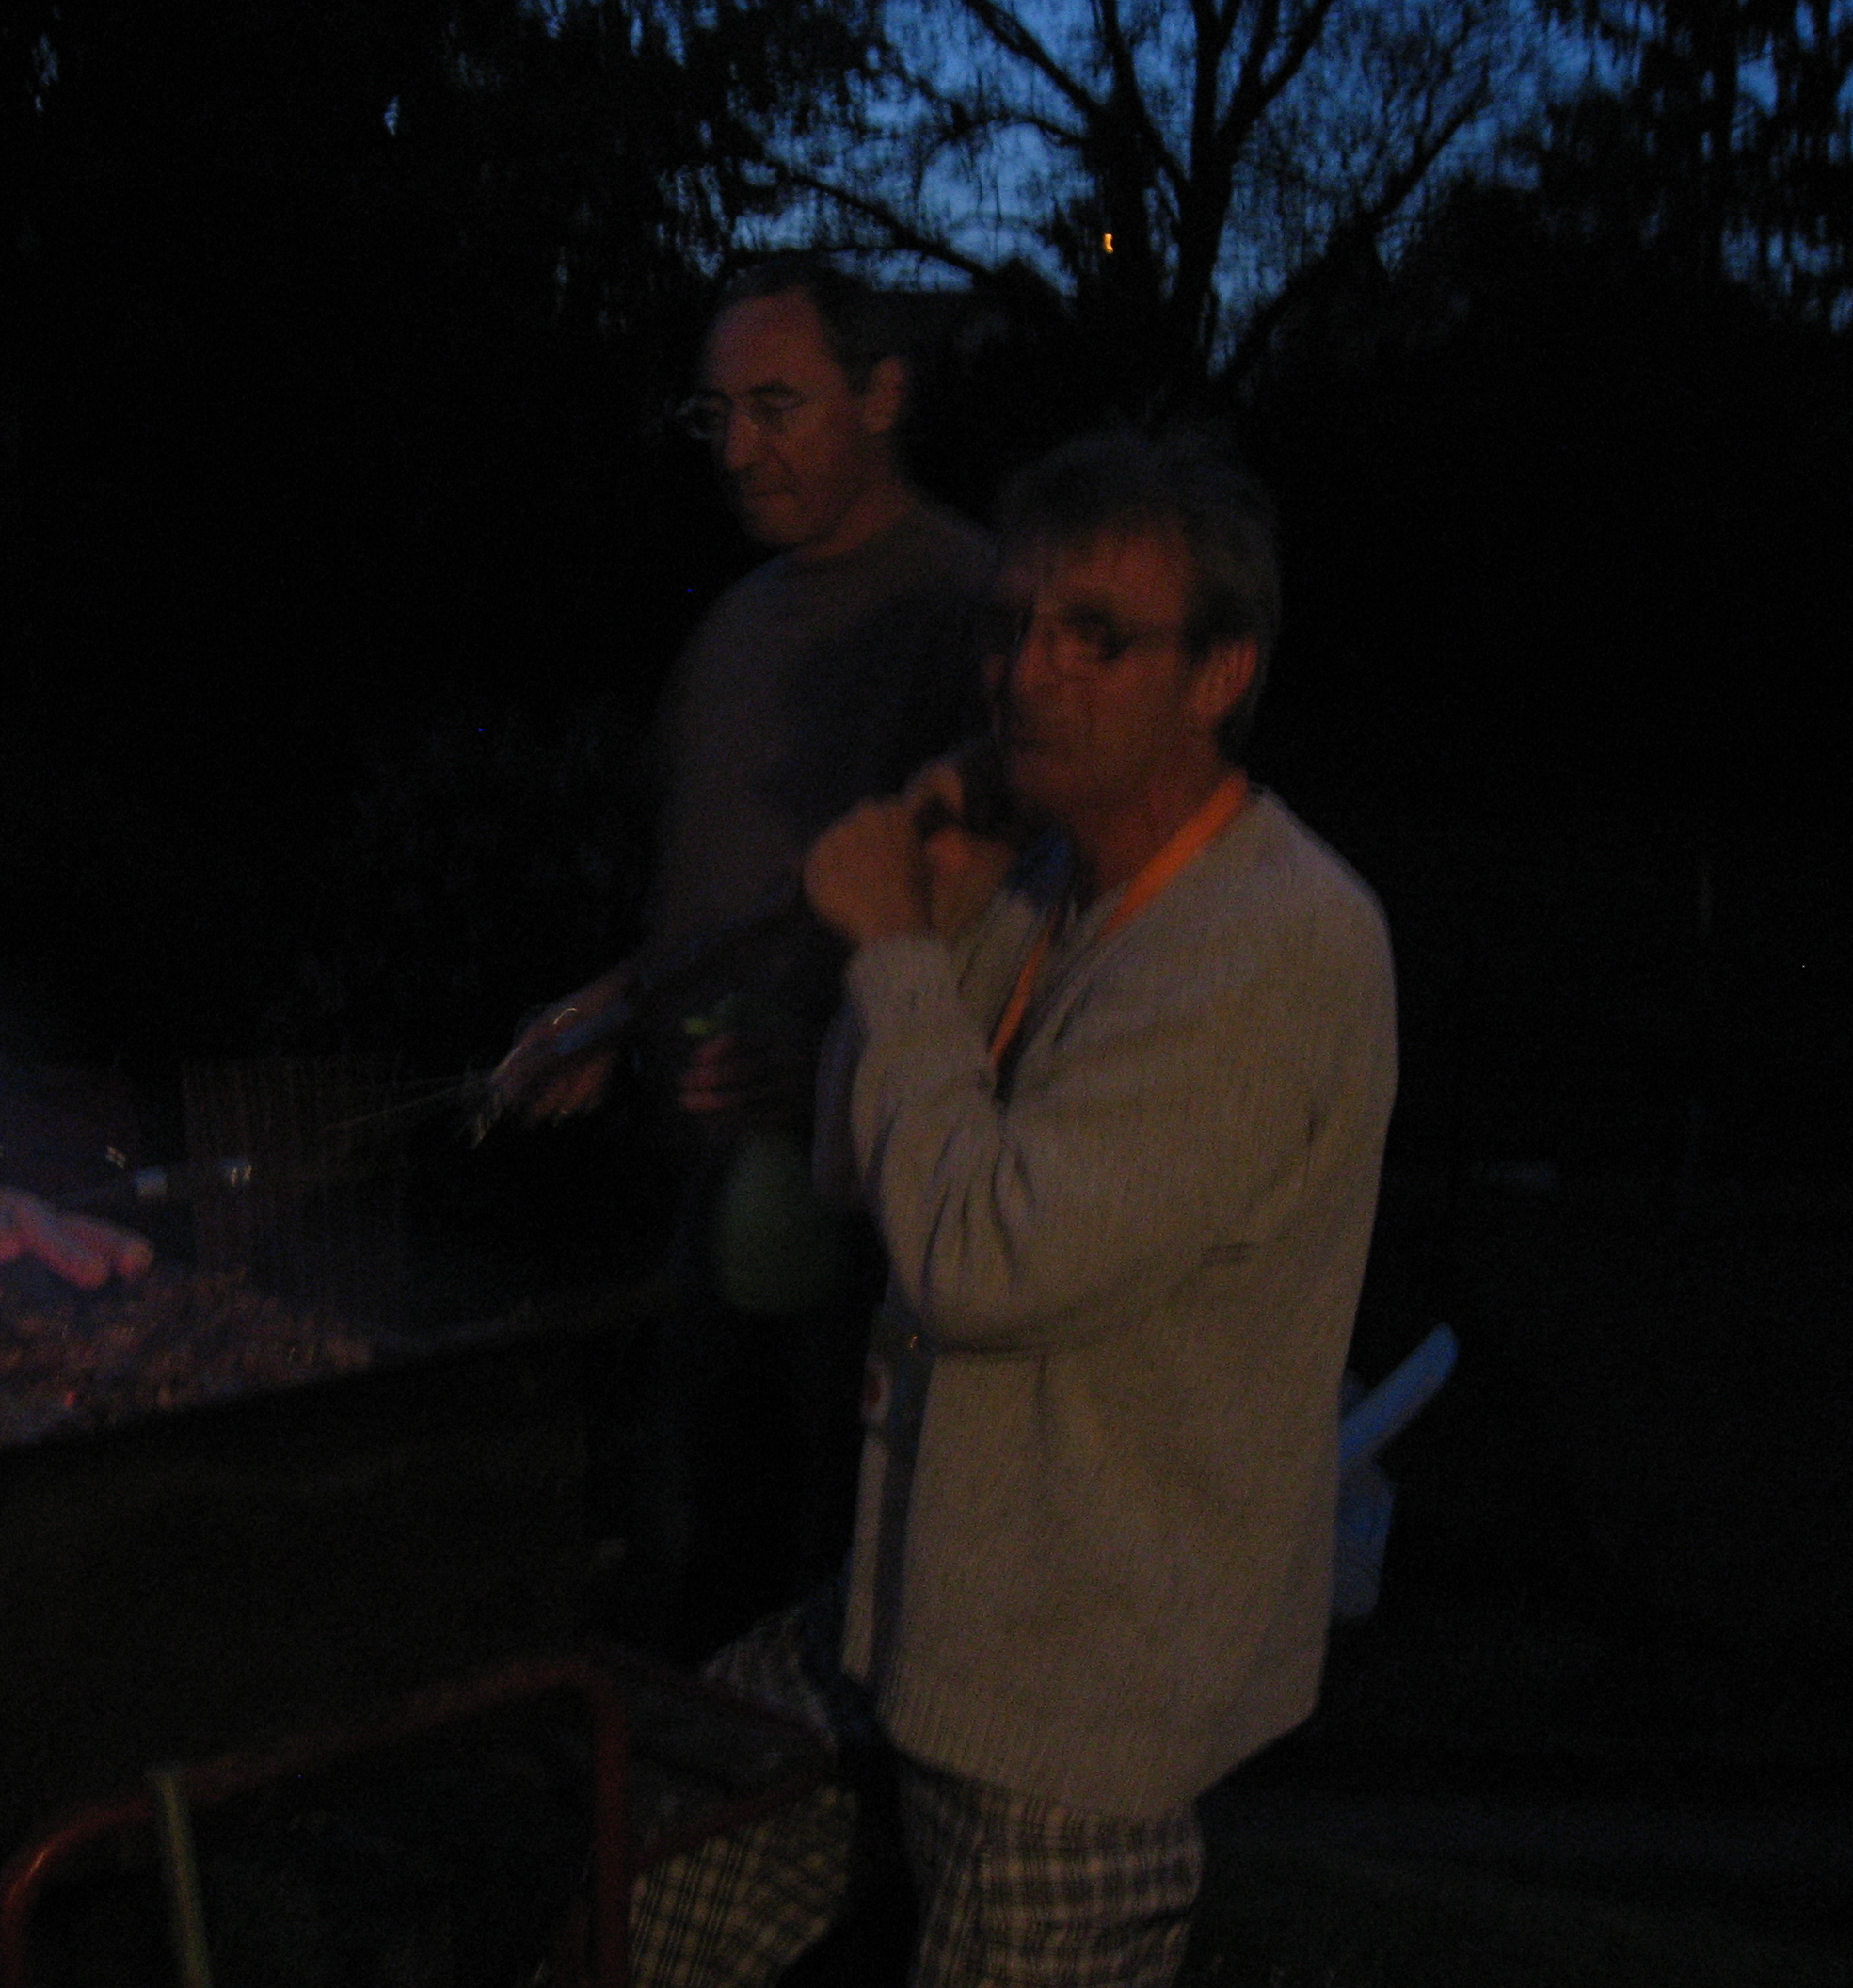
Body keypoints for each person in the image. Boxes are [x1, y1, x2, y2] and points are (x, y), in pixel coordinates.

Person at [631, 429, 1397, 1987]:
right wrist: (944, 912)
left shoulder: (1271, 947)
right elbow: (866, 1165)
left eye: (1095, 635)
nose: (1027, 672)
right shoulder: (1051, 882)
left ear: (1221, 674)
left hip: (1079, 1698)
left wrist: (895, 949)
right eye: (1013, 625)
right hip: (913, 1607)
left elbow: (980, 1260)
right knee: (649, 1856)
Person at [493, 255, 998, 1655]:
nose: (736, 449)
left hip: (879, 1232)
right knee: (704, 1579)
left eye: (777, 405)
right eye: (715, 414)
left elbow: (1010, 919)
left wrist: (835, 1063)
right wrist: (616, 1010)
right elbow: (727, 907)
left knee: (848, 1597)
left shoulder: (967, 612)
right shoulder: (734, 625)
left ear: (884, 394)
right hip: (713, 1198)